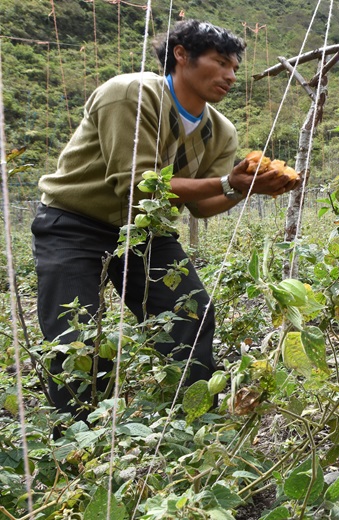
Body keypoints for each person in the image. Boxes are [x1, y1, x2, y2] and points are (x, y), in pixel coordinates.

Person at [32, 20, 299, 424]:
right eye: (220, 62)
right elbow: (136, 186)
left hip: (146, 231)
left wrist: (247, 188)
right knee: (76, 338)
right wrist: (230, 181)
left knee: (191, 313)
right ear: (180, 54)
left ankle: (191, 422)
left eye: (234, 68)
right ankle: (76, 441)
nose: (229, 76)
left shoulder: (219, 130)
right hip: (73, 223)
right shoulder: (130, 95)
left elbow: (203, 206)